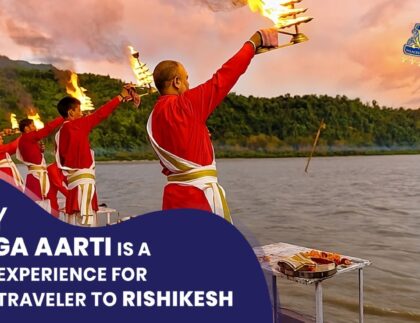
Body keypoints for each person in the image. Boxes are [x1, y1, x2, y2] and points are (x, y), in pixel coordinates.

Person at [147, 29, 279, 223]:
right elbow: (225, 76)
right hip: (198, 199)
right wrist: (252, 43)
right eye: (186, 79)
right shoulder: (186, 104)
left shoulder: (153, 118)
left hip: (172, 198)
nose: (188, 84)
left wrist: (200, 133)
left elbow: (180, 142)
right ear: (176, 82)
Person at [55, 85, 136, 226]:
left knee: (74, 223)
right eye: (79, 110)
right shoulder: (76, 126)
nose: (82, 113)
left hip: (74, 185)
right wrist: (120, 96)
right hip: (84, 184)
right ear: (71, 112)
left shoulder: (60, 133)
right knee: (86, 225)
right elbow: (101, 114)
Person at [17, 117, 63, 212]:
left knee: (42, 201)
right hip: (36, 176)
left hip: (37, 175)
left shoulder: (25, 139)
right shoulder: (27, 137)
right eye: (32, 125)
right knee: (38, 202)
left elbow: (32, 156)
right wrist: (62, 118)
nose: (35, 127)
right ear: (26, 128)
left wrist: (40, 150)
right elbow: (48, 128)